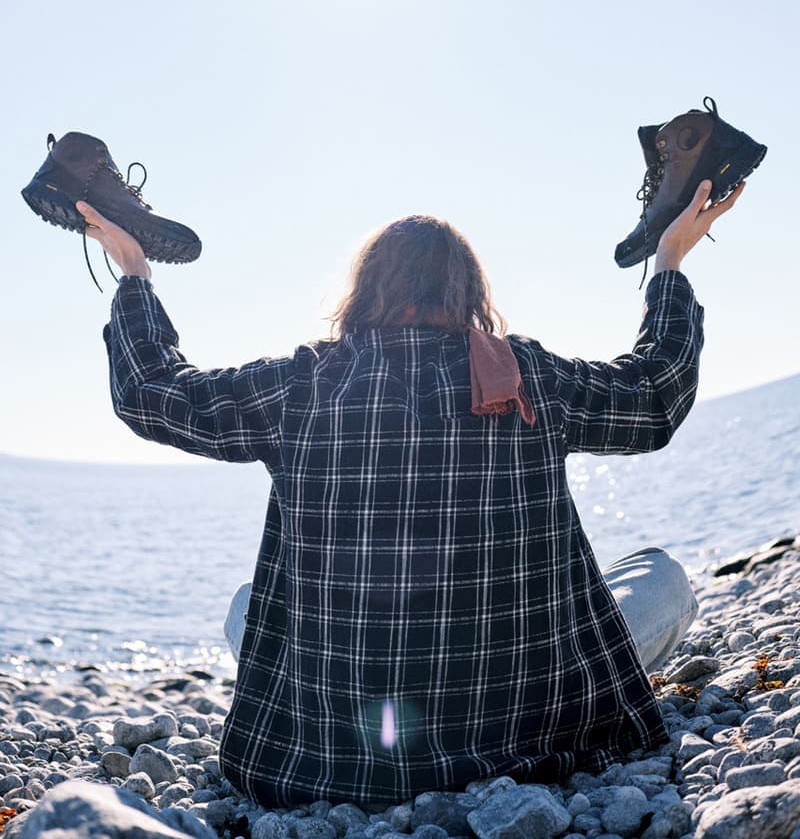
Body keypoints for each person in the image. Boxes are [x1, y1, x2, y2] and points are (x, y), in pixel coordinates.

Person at [77, 177, 745, 808]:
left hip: (331, 756)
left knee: (248, 606)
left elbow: (154, 392)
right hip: (533, 731)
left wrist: (134, 269)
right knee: (659, 575)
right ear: (470, 292)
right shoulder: (526, 376)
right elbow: (656, 395)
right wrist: (669, 261)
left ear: (365, 290)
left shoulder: (304, 384)